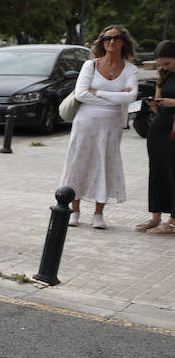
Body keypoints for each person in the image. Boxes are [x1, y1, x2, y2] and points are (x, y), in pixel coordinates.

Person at [59, 25, 139, 229]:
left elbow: (131, 97)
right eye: (107, 38)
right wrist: (116, 97)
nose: (111, 42)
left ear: (124, 42)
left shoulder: (130, 69)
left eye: (116, 38)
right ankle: (74, 210)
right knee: (79, 162)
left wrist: (98, 93)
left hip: (111, 125)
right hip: (85, 122)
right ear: (102, 42)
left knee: (105, 163)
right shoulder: (90, 65)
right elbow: (81, 94)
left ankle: (98, 213)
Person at [136, 40, 175, 234]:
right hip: (159, 130)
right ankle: (155, 216)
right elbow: (159, 106)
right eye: (160, 64)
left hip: (174, 131)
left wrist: (173, 102)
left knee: (173, 173)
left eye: (167, 63)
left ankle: (173, 221)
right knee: (157, 172)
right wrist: (155, 104)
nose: (163, 67)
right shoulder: (164, 75)